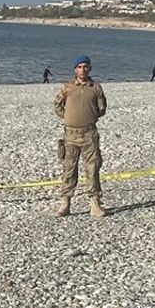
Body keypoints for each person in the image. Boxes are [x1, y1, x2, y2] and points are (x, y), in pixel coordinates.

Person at [53, 55, 108, 218]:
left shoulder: (95, 87)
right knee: (69, 170)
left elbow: (102, 109)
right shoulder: (67, 87)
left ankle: (95, 203)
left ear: (89, 68)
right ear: (75, 69)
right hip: (70, 135)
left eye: (85, 66)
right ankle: (65, 203)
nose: (82, 69)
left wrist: (89, 117)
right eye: (79, 67)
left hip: (89, 134)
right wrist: (69, 117)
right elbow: (57, 105)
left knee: (92, 170)